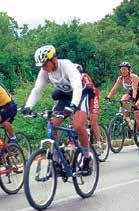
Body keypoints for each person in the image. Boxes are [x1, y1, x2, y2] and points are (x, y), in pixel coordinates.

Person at [22, 45, 92, 175]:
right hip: (65, 97)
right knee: (52, 125)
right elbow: (37, 90)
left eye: (44, 64)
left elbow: (77, 86)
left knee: (77, 125)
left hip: (80, 95)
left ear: (53, 60)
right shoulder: (45, 71)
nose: (43, 68)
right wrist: (28, 106)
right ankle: (58, 159)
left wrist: (73, 106)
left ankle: (87, 158)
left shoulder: (67, 66)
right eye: (41, 66)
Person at [52, 63, 102, 155]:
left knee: (93, 120)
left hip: (91, 96)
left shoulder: (84, 76)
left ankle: (98, 144)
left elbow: (89, 88)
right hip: (75, 98)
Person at [105, 61, 139, 136]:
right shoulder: (120, 78)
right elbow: (114, 88)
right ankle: (130, 123)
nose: (123, 71)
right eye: (122, 69)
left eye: (125, 69)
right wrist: (109, 96)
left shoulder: (134, 77)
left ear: (129, 70)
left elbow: (135, 89)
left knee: (137, 114)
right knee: (122, 101)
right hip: (130, 94)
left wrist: (133, 98)